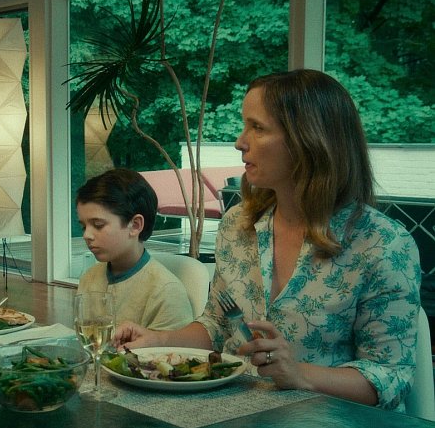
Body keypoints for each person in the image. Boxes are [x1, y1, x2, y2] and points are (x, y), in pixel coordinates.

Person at [113, 70, 421, 411]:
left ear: (308, 141)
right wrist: (158, 340)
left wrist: (299, 374)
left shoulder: (384, 244)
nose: (240, 142)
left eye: (257, 128)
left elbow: (391, 378)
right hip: (234, 412)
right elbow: (218, 325)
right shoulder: (237, 225)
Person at [76, 168, 194, 331]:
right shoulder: (89, 278)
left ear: (135, 225)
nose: (87, 235)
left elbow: (170, 348)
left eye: (98, 225)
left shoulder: (165, 292)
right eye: (83, 226)